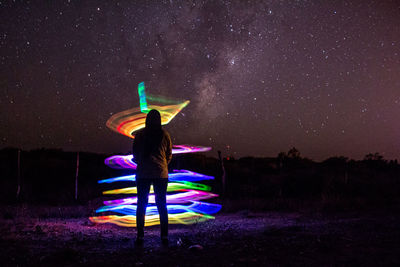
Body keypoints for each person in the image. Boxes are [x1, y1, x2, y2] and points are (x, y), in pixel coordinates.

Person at [132, 109, 172, 246]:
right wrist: (162, 164)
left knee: (141, 204)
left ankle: (140, 237)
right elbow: (169, 155)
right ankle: (164, 236)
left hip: (143, 173)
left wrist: (143, 163)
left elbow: (135, 154)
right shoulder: (165, 135)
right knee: (162, 205)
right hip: (161, 173)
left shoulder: (140, 135)